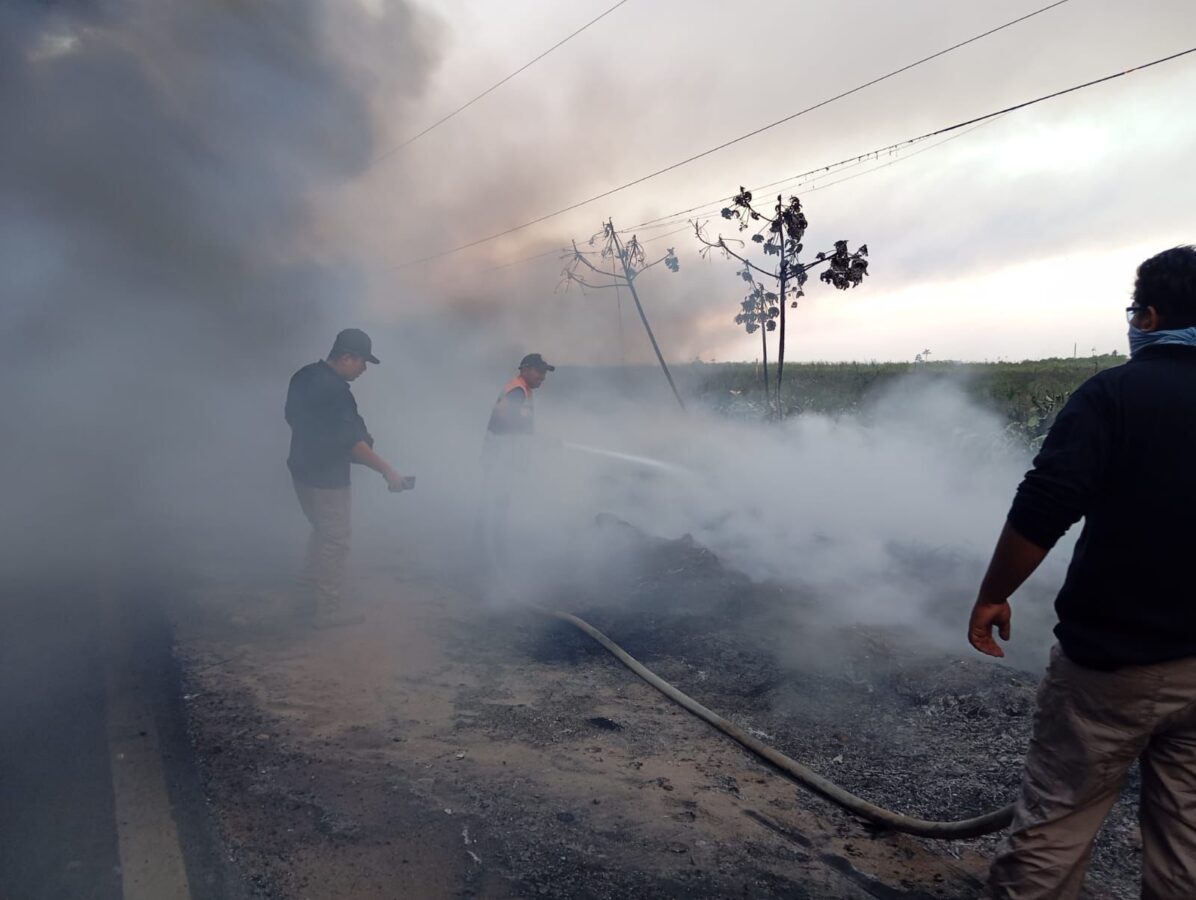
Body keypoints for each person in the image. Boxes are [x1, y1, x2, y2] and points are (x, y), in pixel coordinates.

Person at [967, 246, 1196, 899]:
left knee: (1056, 824)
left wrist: (993, 595)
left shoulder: (1114, 395)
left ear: (1149, 317)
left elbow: (1045, 505)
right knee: (1187, 840)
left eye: (1135, 309)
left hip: (1113, 663)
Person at [285, 328, 407, 627]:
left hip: (301, 470)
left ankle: (303, 599)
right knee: (335, 541)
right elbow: (352, 444)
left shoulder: (303, 376)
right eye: (363, 362)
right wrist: (388, 472)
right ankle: (327, 613)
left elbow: (292, 418)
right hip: (327, 479)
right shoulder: (336, 392)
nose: (364, 369)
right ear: (347, 357)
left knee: (323, 532)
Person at [478, 353, 554, 596]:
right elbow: (503, 413)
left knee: (499, 505)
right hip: (499, 459)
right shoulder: (517, 390)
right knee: (495, 506)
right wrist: (528, 435)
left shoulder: (523, 390)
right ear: (525, 369)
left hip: (503, 459)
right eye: (539, 372)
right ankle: (489, 561)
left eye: (544, 373)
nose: (543, 377)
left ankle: (492, 556)